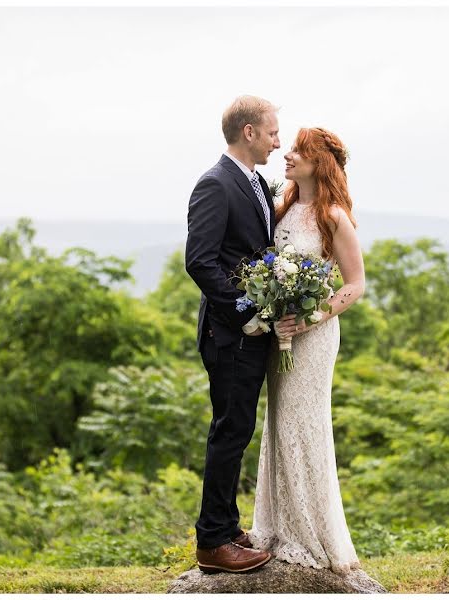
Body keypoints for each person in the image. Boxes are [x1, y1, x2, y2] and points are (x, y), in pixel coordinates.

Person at [247, 127, 365, 576]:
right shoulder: (285, 208)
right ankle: (277, 529)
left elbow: (355, 285)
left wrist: (311, 317)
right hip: (283, 336)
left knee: (305, 425)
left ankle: (310, 535)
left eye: (299, 152)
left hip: (313, 337)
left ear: (321, 163)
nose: (288, 155)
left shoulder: (333, 215)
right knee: (279, 424)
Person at [184, 95, 280, 574]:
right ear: (248, 133)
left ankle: (225, 523)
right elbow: (199, 261)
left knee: (238, 429)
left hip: (251, 333)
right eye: (271, 132)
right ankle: (212, 542)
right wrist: (245, 311)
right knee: (229, 431)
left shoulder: (258, 182)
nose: (277, 141)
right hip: (230, 334)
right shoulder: (215, 184)